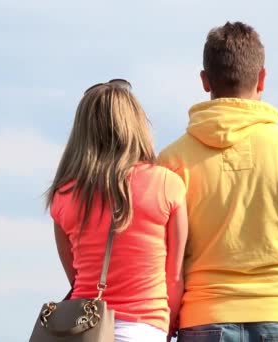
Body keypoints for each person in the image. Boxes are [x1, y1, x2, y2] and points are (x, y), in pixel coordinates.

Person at [158, 22, 278, 342]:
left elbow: (160, 256)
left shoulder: (172, 161)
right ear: (262, 78)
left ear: (205, 81)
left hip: (204, 318)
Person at [46, 79, 188, 342]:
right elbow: (174, 277)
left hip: (84, 330)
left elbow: (76, 278)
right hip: (143, 330)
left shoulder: (63, 195)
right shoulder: (167, 184)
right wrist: (169, 323)